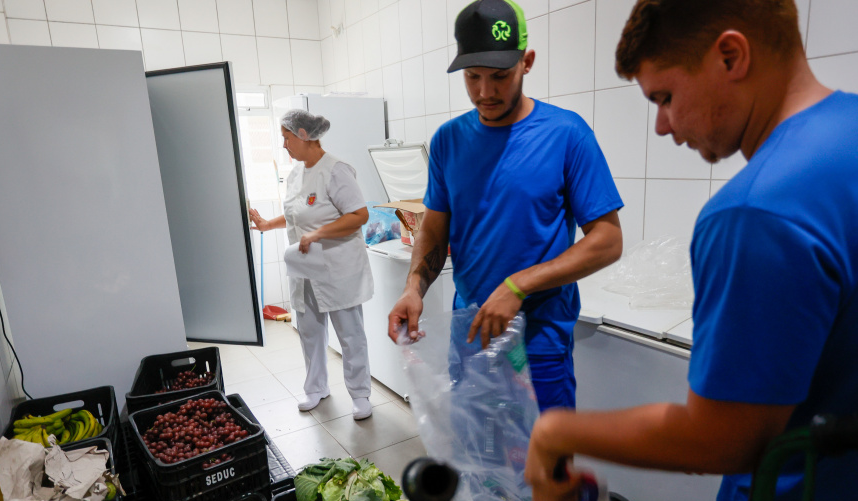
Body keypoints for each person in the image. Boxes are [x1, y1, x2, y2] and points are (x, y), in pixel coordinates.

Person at [524, 0, 858, 501]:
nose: (662, 126)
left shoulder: (756, 213)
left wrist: (555, 432)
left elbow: (724, 439)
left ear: (730, 54)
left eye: (665, 98)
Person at [387, 0, 624, 414]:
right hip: (472, 334)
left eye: (499, 76)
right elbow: (435, 229)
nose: (484, 91)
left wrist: (519, 285)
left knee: (544, 470)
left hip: (540, 342)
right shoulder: (448, 141)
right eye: (472, 76)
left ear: (526, 62)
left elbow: (607, 241)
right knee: (479, 468)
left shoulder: (566, 134)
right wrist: (413, 288)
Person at [249, 109, 375, 421]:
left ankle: (360, 395)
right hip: (305, 269)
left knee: (350, 335)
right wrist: (266, 224)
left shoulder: (336, 170)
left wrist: (318, 233)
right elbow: (295, 216)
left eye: (286, 137)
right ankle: (316, 387)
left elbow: (359, 215)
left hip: (337, 268)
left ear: (304, 135)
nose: (284, 144)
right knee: (309, 331)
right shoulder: (296, 173)